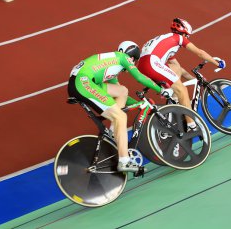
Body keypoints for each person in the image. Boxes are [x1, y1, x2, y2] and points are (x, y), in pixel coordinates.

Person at [68, 41, 173, 172]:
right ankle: (124, 161)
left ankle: (113, 131)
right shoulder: (124, 58)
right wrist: (160, 89)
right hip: (83, 83)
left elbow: (119, 92)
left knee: (122, 91)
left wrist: (141, 104)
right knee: (121, 117)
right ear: (133, 58)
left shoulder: (114, 63)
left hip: (82, 81)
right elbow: (139, 77)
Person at [137, 18, 226, 130]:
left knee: (176, 72)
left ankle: (174, 99)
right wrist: (217, 63)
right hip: (152, 62)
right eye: (187, 36)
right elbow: (199, 53)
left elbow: (177, 67)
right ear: (184, 33)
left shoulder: (167, 41)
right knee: (182, 89)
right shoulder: (178, 38)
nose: (187, 39)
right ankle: (192, 125)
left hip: (143, 65)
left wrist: (196, 79)